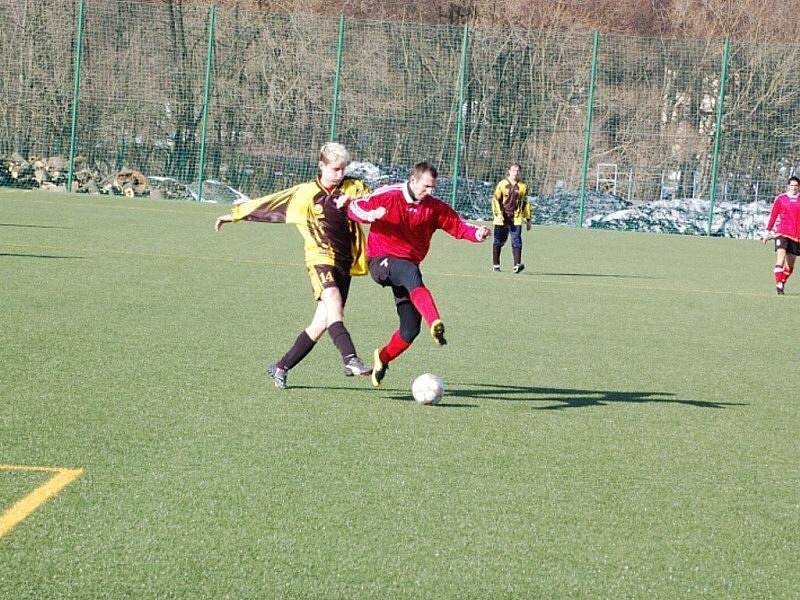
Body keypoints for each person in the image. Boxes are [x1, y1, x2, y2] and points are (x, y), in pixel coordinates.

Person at [214, 142, 379, 388]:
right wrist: (235, 214)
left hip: (347, 263)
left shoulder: (354, 187)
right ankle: (350, 358)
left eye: (343, 168)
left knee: (321, 323)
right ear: (321, 166)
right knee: (333, 303)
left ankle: (281, 367)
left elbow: (377, 202)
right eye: (335, 169)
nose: (340, 174)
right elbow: (269, 203)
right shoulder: (304, 194)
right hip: (320, 259)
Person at [346, 161, 491, 387]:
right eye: (425, 186)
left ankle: (382, 359)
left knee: (410, 329)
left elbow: (458, 225)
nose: (429, 191)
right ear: (413, 180)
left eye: (433, 187)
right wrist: (371, 214)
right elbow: (354, 207)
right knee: (409, 270)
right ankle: (435, 321)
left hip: (406, 270)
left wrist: (478, 233)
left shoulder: (433, 207)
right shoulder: (389, 195)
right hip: (380, 260)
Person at [491, 162, 531, 273]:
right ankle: (496, 265)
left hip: (516, 218)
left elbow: (525, 203)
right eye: (514, 170)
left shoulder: (523, 187)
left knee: (516, 240)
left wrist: (528, 219)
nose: (516, 172)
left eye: (518, 171)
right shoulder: (502, 184)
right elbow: (495, 200)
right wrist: (498, 214)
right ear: (509, 171)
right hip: (502, 218)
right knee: (499, 241)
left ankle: (517, 265)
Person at [764, 176, 800, 295]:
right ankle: (778, 284)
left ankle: (782, 281)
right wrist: (767, 232)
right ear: (788, 186)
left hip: (796, 236)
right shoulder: (781, 199)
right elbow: (773, 216)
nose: (794, 188)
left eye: (796, 186)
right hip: (782, 232)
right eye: (792, 185)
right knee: (780, 256)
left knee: (789, 267)